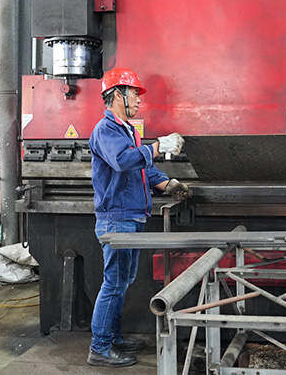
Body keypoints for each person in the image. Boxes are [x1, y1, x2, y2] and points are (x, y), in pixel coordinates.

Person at [87, 67, 193, 368]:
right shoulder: (106, 130)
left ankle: (113, 338)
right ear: (117, 95)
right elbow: (122, 161)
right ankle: (99, 347)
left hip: (131, 217)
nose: (138, 100)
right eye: (134, 94)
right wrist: (157, 147)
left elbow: (143, 169)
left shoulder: (128, 131)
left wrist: (168, 184)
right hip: (116, 218)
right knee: (114, 283)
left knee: (122, 281)